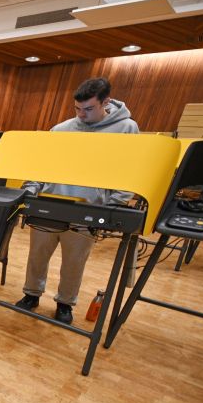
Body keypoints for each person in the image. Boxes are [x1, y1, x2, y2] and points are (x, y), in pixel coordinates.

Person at [15, 77, 139, 324]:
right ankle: (31, 294)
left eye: (89, 109)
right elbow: (40, 163)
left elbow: (131, 170)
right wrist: (31, 188)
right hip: (50, 202)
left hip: (88, 207)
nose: (81, 114)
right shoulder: (61, 129)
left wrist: (114, 203)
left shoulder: (126, 129)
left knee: (74, 261)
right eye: (77, 109)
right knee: (37, 255)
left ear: (106, 102)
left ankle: (65, 303)